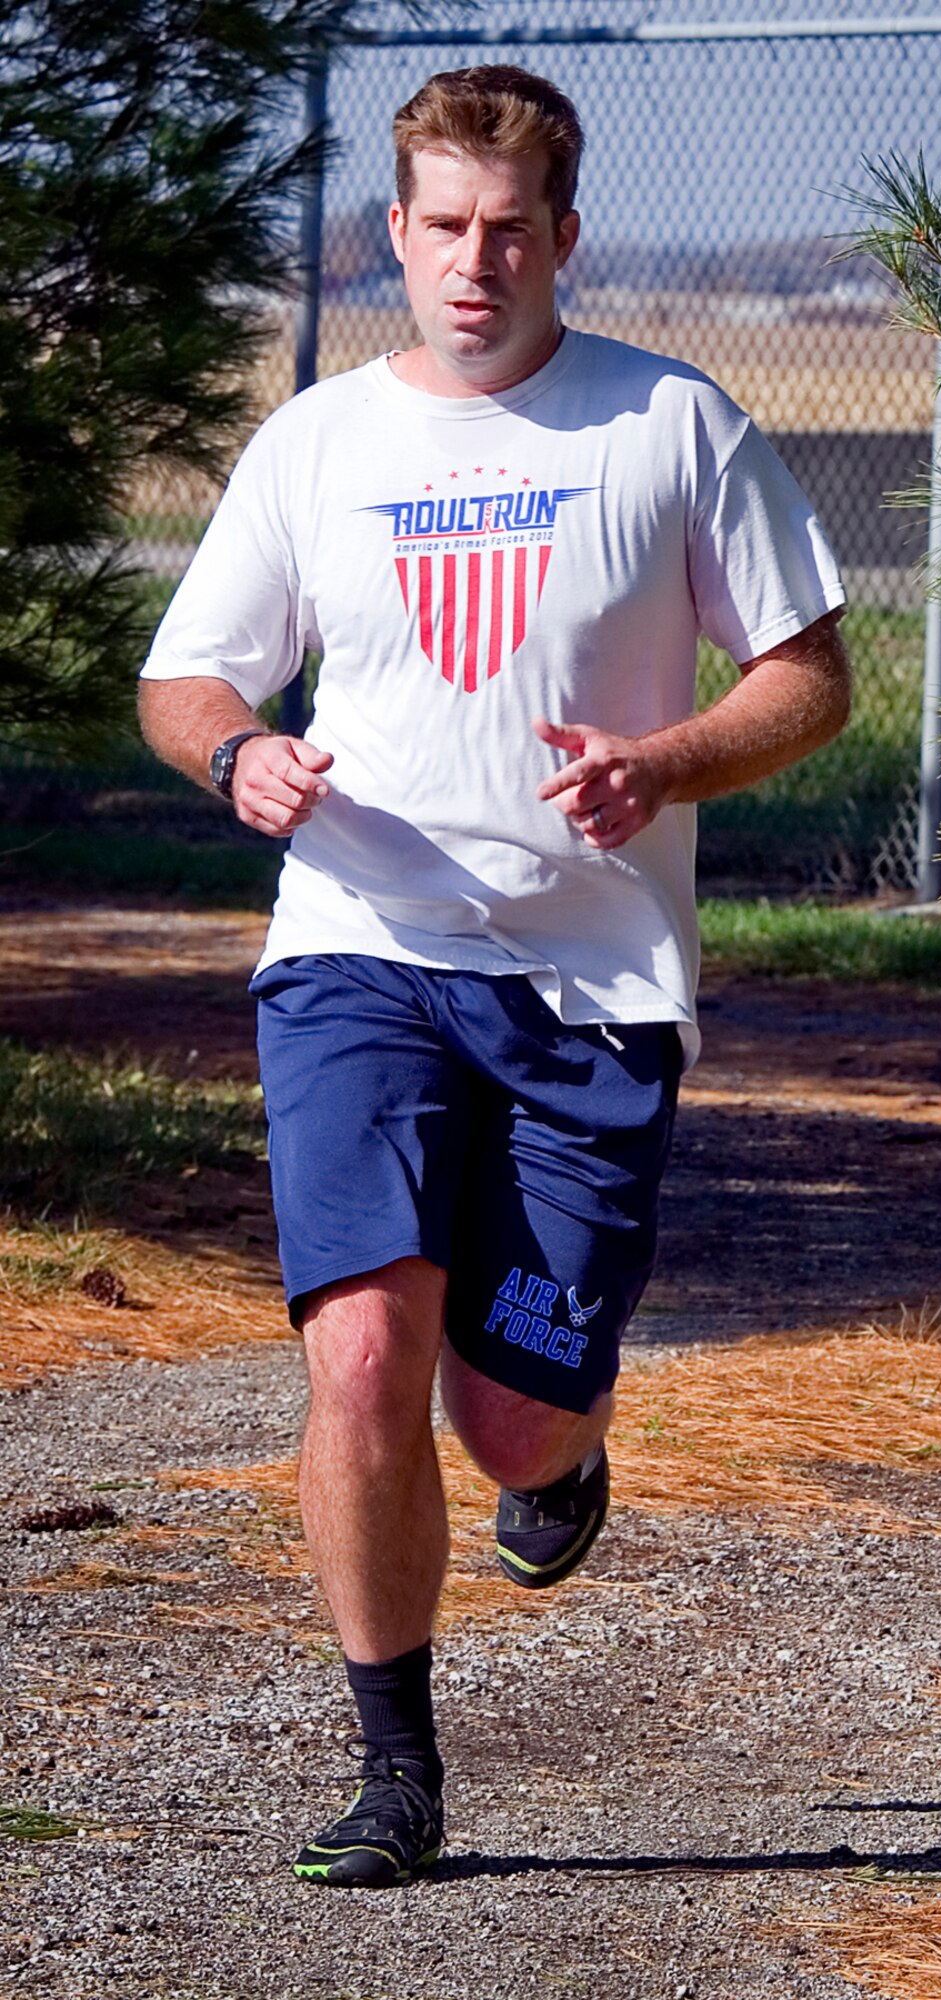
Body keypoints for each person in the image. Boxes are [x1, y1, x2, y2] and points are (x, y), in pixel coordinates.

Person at [138, 65, 849, 1888]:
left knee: (504, 1403)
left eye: (509, 229)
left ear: (563, 236)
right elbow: (188, 678)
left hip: (592, 985)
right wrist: (241, 762)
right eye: (442, 227)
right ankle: (395, 1773)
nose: (475, 262)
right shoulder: (314, 444)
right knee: (363, 1351)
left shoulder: (672, 424)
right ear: (397, 232)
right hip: (361, 949)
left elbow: (808, 674)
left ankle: (555, 1456)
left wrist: (666, 762)